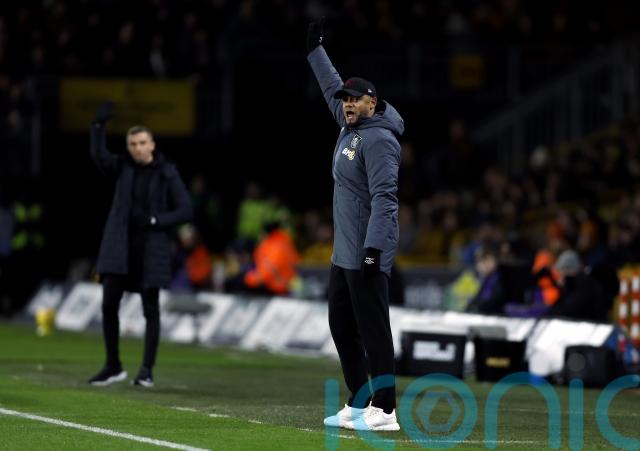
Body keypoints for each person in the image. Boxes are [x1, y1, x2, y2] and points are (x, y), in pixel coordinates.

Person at [307, 19, 404, 431]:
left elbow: (385, 198)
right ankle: (360, 399)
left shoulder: (379, 139)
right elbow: (330, 85)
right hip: (343, 253)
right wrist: (315, 51)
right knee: (342, 328)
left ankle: (386, 409)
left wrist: (374, 249)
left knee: (374, 330)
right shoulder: (351, 127)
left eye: (354, 99)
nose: (346, 104)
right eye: (345, 100)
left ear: (372, 102)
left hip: (366, 251)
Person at [88, 103, 193, 387]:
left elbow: (185, 210)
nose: (137, 148)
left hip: (150, 250)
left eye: (142, 143)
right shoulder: (122, 167)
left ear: (152, 144)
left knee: (151, 310)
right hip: (119, 248)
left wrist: (156, 220)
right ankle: (113, 366)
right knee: (109, 305)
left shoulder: (167, 172)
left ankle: (146, 370)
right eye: (132, 144)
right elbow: (99, 157)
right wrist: (98, 127)